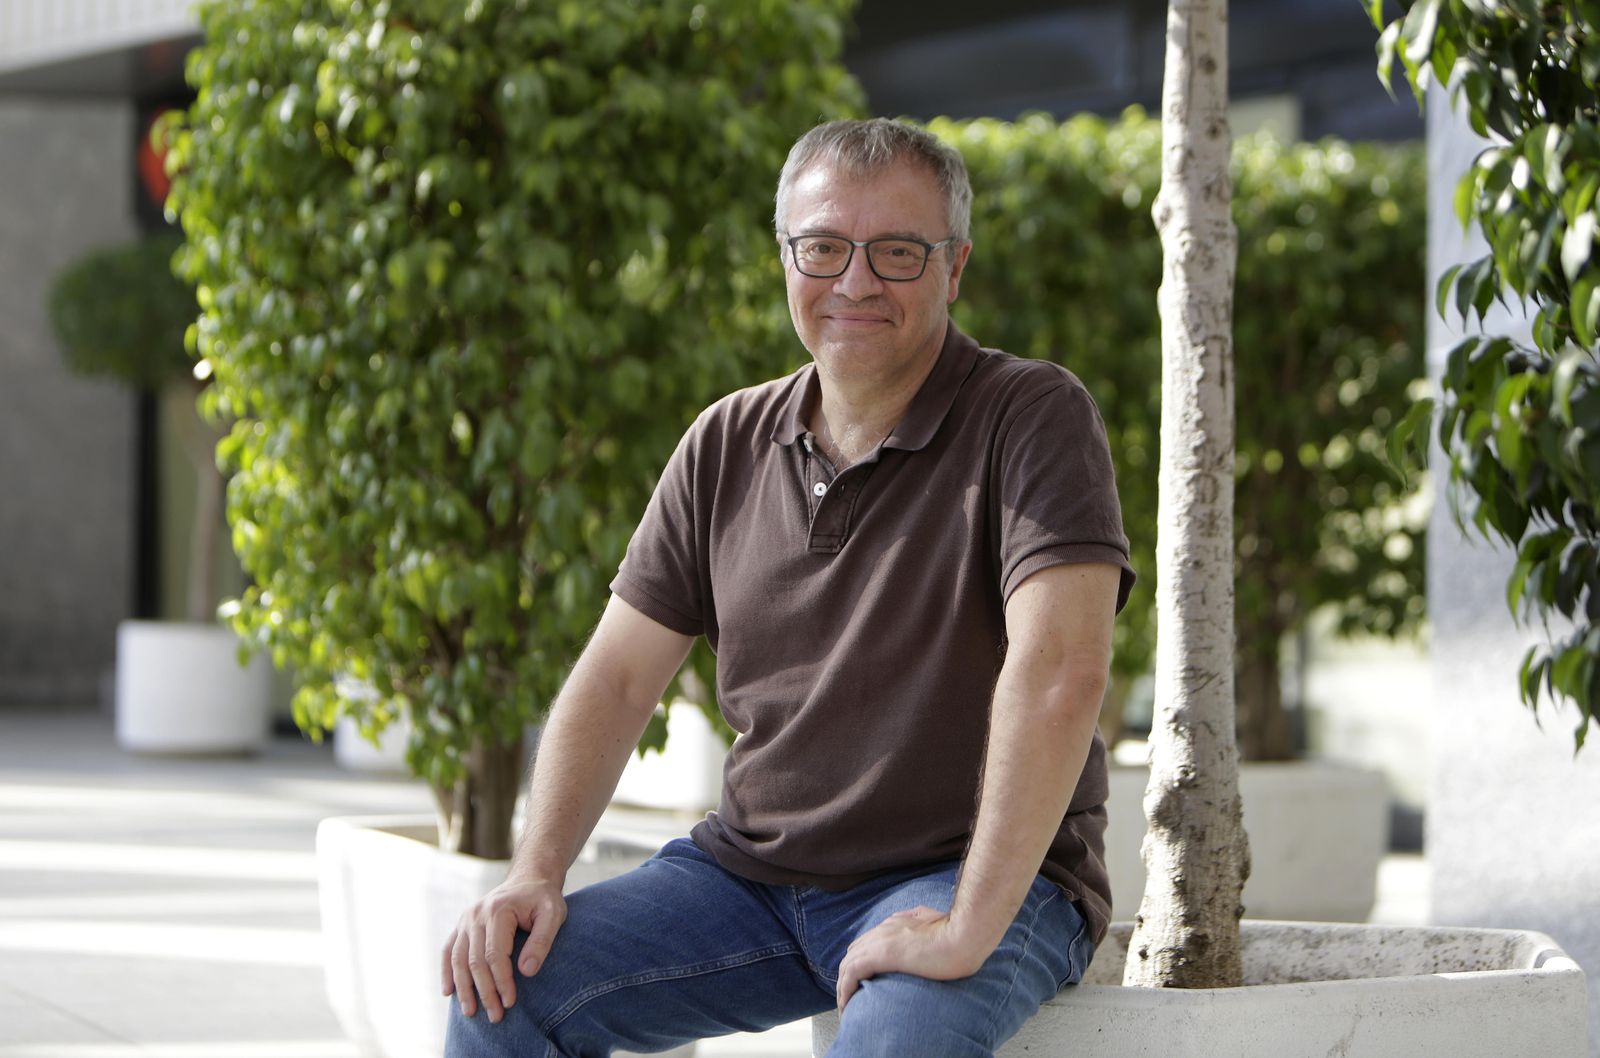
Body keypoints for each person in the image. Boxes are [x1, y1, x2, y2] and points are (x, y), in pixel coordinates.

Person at [442, 117, 1134, 1058]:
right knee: (503, 991)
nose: (855, 282)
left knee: (894, 1043)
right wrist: (535, 870)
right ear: (786, 258)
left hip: (963, 877)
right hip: (751, 881)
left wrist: (966, 926)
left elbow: (1060, 673)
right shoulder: (725, 440)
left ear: (954, 268)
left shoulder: (1032, 415)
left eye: (898, 252)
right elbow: (615, 679)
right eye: (823, 247)